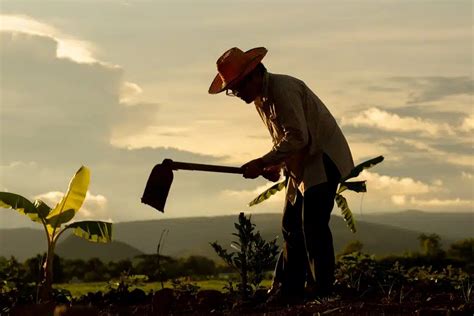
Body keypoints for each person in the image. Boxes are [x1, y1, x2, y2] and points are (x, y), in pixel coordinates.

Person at [208, 47, 354, 303]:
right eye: (232, 89)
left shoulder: (282, 90)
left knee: (313, 225)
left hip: (322, 159)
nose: (237, 93)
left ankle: (322, 292)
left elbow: (298, 137)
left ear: (253, 75)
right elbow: (285, 140)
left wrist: (263, 161)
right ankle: (290, 289)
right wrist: (275, 166)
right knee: (291, 226)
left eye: (237, 87)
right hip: (302, 165)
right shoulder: (261, 99)